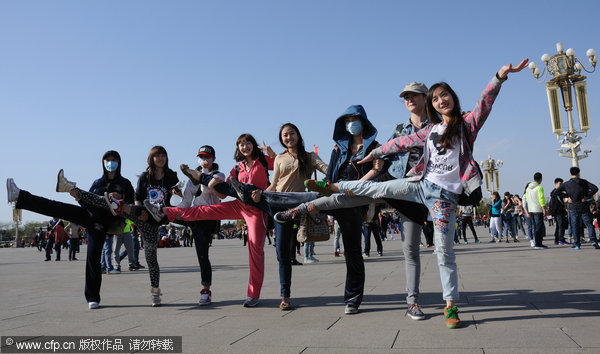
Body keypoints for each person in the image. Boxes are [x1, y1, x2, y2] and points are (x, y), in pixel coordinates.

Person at [305, 59, 529, 328]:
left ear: (451, 98)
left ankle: (450, 306)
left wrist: (499, 76)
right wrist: (374, 153)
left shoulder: (466, 124)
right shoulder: (430, 130)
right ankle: (332, 187)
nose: (440, 100)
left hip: (443, 198)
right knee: (377, 189)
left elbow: (485, 102)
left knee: (444, 252)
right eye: (436, 98)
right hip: (418, 185)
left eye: (443, 95)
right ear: (431, 104)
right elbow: (401, 142)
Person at [142, 134, 272, 307]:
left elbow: (282, 168)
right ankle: (164, 210)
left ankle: (253, 294)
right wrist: (212, 186)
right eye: (241, 144)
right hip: (239, 204)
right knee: (200, 210)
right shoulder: (238, 168)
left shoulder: (263, 161)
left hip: (257, 209)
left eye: (248, 143)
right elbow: (225, 192)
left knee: (255, 250)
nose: (245, 147)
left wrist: (273, 160)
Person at [6, 150, 134, 309]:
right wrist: (83, 199)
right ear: (102, 162)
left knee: (94, 256)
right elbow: (87, 204)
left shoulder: (125, 183)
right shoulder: (97, 183)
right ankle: (19, 196)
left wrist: (116, 200)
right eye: (107, 159)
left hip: (110, 221)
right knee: (57, 208)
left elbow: (130, 207)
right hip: (92, 217)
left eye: (114, 159)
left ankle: (69, 188)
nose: (110, 162)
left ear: (119, 162)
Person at [177, 145, 226, 306]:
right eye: (202, 157)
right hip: (196, 217)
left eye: (207, 157)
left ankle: (206, 288)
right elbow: (186, 201)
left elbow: (206, 190)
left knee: (205, 254)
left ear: (213, 158)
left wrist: (200, 174)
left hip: (211, 216)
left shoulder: (218, 174)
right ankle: (205, 289)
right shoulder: (191, 180)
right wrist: (176, 211)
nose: (204, 160)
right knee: (202, 255)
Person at [555, 167, 599, 250]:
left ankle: (577, 244)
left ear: (570, 174)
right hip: (584, 206)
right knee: (589, 224)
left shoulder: (567, 184)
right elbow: (595, 188)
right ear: (579, 173)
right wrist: (587, 196)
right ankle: (594, 241)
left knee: (575, 225)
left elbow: (555, 192)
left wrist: (567, 197)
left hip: (573, 207)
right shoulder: (584, 182)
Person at [525, 172, 547, 249]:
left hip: (531, 209)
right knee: (539, 227)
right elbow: (541, 199)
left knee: (535, 226)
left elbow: (527, 199)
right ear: (540, 179)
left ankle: (536, 242)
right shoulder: (539, 187)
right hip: (538, 209)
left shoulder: (528, 188)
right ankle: (538, 243)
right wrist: (544, 208)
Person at [549, 178, 568, 245]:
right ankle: (561, 240)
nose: (561, 185)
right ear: (556, 183)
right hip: (557, 212)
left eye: (562, 184)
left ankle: (557, 239)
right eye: (560, 184)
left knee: (559, 226)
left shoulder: (559, 192)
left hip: (559, 211)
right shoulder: (555, 192)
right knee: (561, 226)